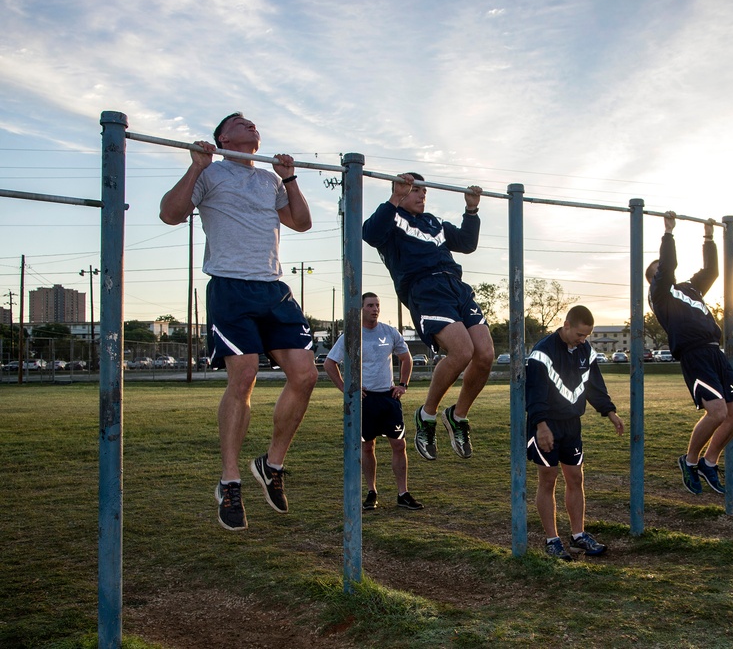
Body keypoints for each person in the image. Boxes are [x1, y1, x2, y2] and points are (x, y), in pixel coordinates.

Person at [159, 113, 318, 531]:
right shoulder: (210, 173)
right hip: (231, 285)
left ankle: (271, 464)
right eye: (242, 124)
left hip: (272, 287)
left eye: (254, 124)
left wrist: (289, 178)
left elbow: (301, 223)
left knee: (305, 375)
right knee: (243, 376)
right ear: (223, 137)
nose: (253, 127)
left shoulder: (269, 180)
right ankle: (230, 480)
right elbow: (170, 214)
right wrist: (196, 166)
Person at [362, 173, 493, 462]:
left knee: (484, 354)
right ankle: (427, 414)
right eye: (415, 190)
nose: (421, 195)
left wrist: (471, 210)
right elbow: (369, 234)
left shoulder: (434, 222)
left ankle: (457, 416)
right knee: (462, 351)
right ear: (400, 191)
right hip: (425, 289)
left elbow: (467, 243)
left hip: (456, 286)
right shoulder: (391, 220)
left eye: (424, 191)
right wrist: (395, 198)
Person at [646, 213, 733, 494]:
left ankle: (709, 461)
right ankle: (689, 460)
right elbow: (668, 266)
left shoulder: (689, 289)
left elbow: (711, 271)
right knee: (716, 412)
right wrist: (668, 233)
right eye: (658, 270)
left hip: (716, 352)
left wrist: (708, 237)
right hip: (694, 354)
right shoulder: (660, 295)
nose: (664, 271)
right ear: (653, 278)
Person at [526, 305, 624, 560]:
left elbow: (594, 385)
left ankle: (578, 536)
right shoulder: (542, 352)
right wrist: (541, 426)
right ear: (566, 325)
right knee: (548, 480)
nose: (583, 340)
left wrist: (610, 412)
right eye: (580, 334)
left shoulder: (585, 351)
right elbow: (534, 393)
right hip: (546, 425)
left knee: (576, 478)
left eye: (587, 336)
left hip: (572, 425)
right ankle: (552, 541)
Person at [324, 293, 423, 511]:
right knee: (367, 447)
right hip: (365, 400)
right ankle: (372, 492)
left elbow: (406, 358)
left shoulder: (390, 332)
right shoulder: (351, 335)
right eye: (370, 305)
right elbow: (330, 363)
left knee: (399, 444)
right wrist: (347, 390)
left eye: (377, 305)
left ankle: (403, 493)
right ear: (361, 309)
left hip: (388, 398)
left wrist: (403, 385)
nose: (375, 309)